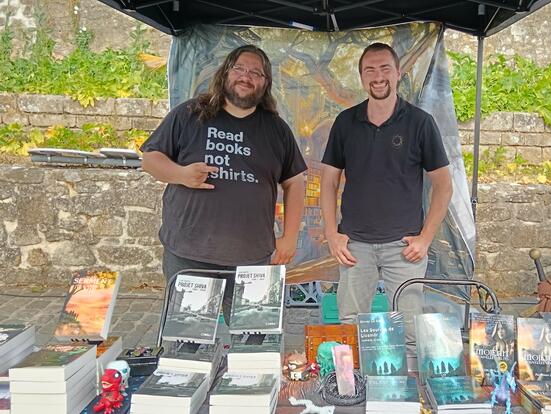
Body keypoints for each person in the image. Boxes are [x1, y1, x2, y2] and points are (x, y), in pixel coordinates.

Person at [141, 45, 307, 324]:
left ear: (265, 83)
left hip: (253, 258)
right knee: (188, 339)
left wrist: (290, 238)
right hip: (189, 254)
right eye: (239, 68)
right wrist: (181, 174)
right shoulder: (190, 114)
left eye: (256, 73)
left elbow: (295, 182)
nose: (246, 76)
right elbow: (150, 160)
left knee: (255, 339)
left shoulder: (276, 129)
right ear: (225, 72)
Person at [320, 43, 453, 355]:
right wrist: (331, 234)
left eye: (385, 69)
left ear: (398, 73)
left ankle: (407, 385)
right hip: (355, 246)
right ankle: (351, 384)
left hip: (404, 248)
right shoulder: (345, 122)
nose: (378, 77)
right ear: (361, 77)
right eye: (370, 70)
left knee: (409, 331)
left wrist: (426, 238)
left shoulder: (420, 123)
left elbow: (444, 186)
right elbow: (328, 182)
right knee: (350, 327)